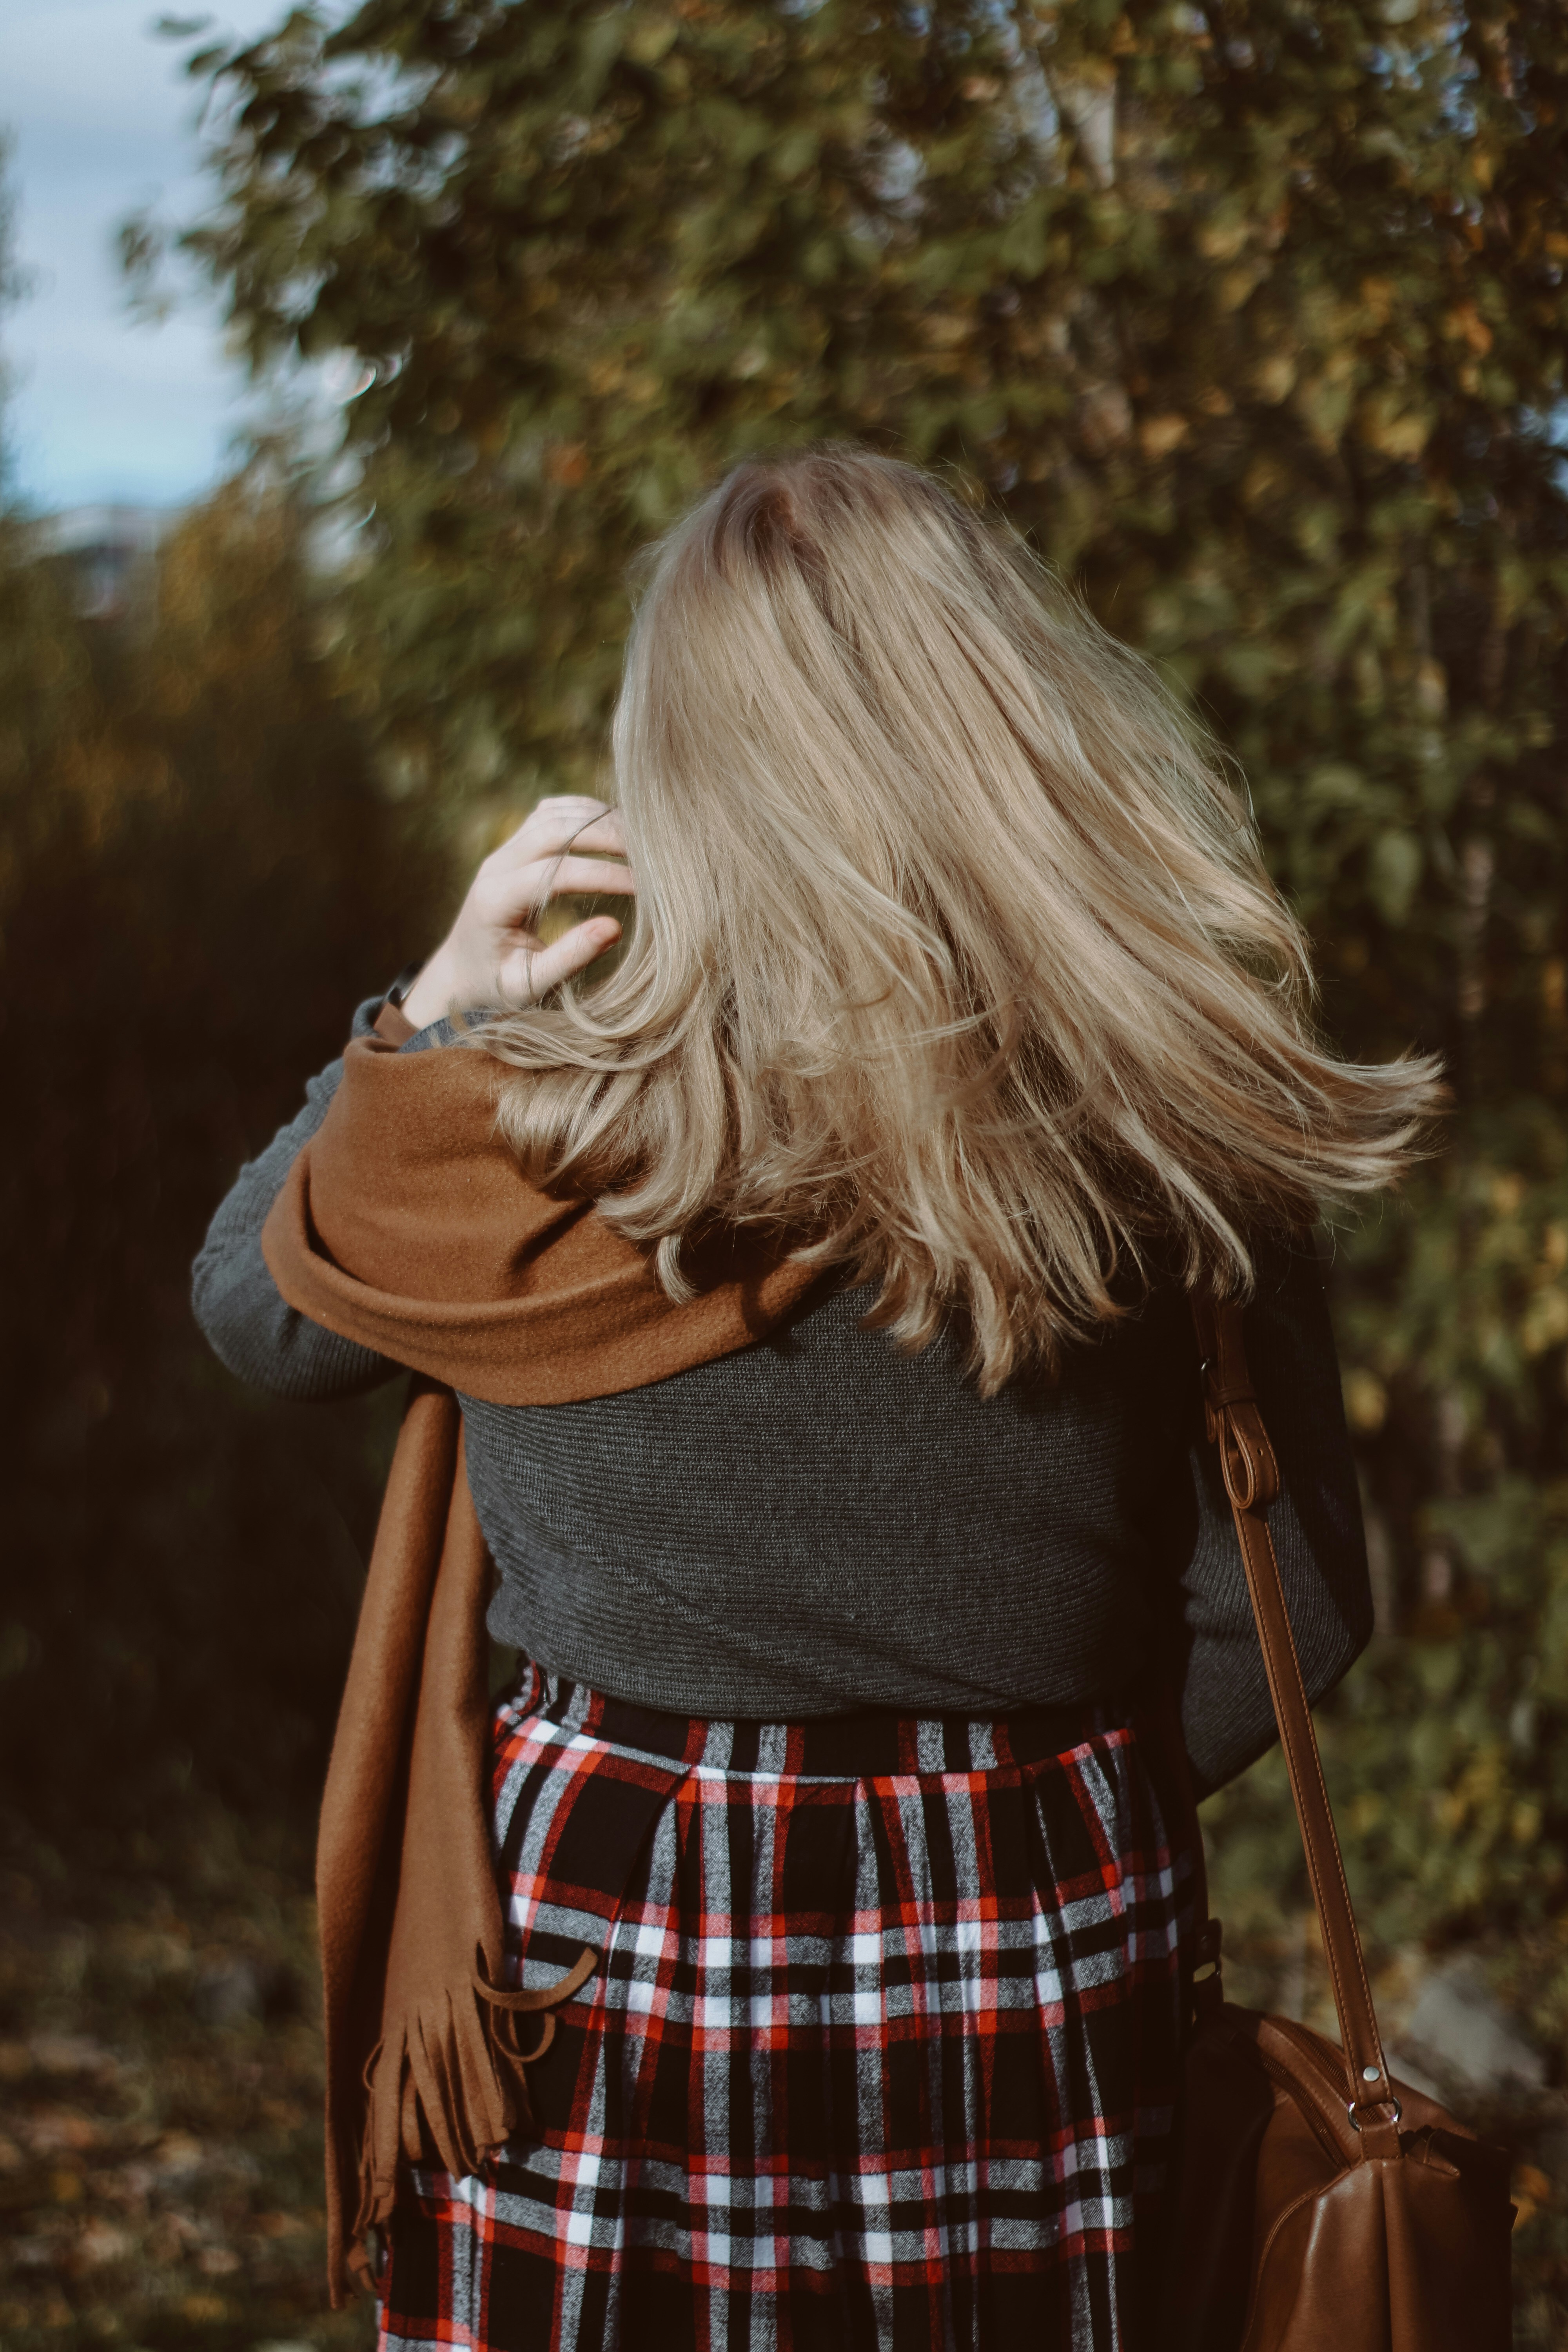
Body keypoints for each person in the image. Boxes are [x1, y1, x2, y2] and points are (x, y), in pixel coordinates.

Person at [192, 445, 1439, 2352]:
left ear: (676, 761)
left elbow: (254, 1313)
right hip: (1031, 1909)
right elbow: (1300, 1601)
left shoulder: (537, 1122)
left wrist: (435, 999)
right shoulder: (1173, 1112)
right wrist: (1027, 1806)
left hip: (595, 1933)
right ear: (1006, 718)